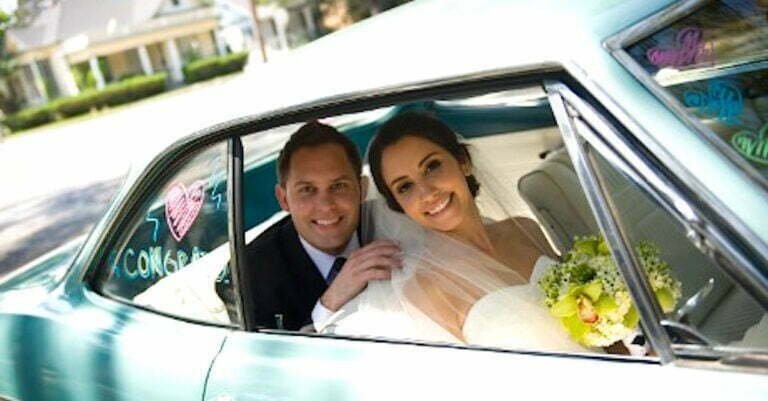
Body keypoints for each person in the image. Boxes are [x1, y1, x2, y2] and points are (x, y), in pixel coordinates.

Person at [323, 112, 588, 352]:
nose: (427, 193)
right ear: (399, 205)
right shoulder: (426, 289)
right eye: (405, 187)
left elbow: (590, 317)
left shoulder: (524, 228)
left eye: (432, 167)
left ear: (463, 162)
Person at [241, 121, 402, 331]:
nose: (326, 206)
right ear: (284, 199)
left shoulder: (396, 227)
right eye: (307, 189)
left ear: (362, 189)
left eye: (338, 186)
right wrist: (329, 303)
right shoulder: (250, 275)